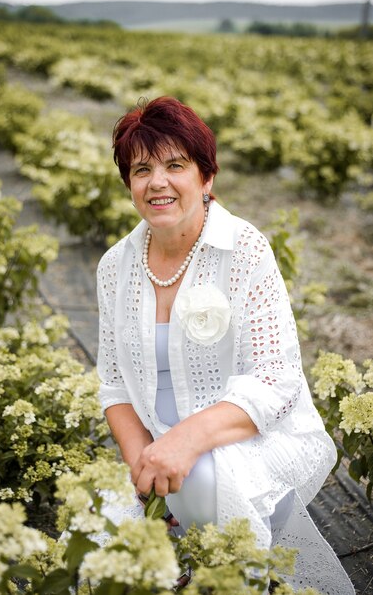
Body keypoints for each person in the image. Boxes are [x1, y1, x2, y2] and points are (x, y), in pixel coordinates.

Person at [96, 96, 354, 594]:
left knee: (204, 488)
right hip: (159, 453)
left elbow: (275, 382)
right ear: (128, 183)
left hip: (252, 438)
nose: (157, 182)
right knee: (100, 545)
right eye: (141, 169)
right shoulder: (115, 266)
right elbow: (113, 387)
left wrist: (184, 442)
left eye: (176, 165)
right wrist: (144, 468)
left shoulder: (244, 250)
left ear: (206, 177)